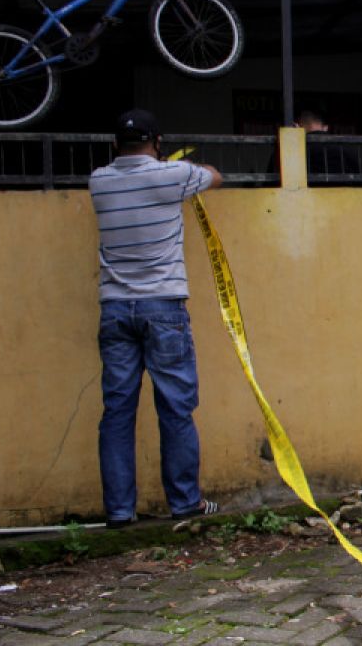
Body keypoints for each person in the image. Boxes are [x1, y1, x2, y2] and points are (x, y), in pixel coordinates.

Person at [89, 109, 223, 528]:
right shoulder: (172, 176)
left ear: (116, 145)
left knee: (117, 411)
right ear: (158, 141)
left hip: (115, 308)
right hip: (163, 306)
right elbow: (215, 175)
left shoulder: (99, 181)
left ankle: (119, 511)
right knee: (176, 409)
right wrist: (172, 165)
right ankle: (185, 504)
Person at [295, 108, 361, 178]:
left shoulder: (300, 150)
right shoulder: (346, 148)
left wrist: (295, 137)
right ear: (326, 127)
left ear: (299, 126)